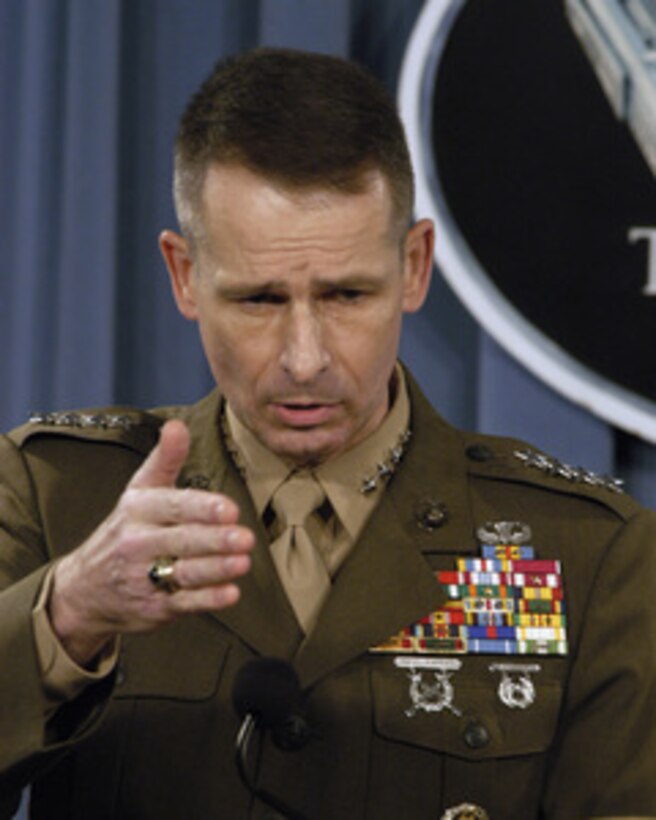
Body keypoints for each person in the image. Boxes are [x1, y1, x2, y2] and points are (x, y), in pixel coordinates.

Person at [0, 47, 655, 820]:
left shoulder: (589, 554)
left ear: (414, 267)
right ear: (184, 276)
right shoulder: (60, 498)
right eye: (258, 300)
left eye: (346, 294)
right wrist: (67, 617)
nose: (304, 360)